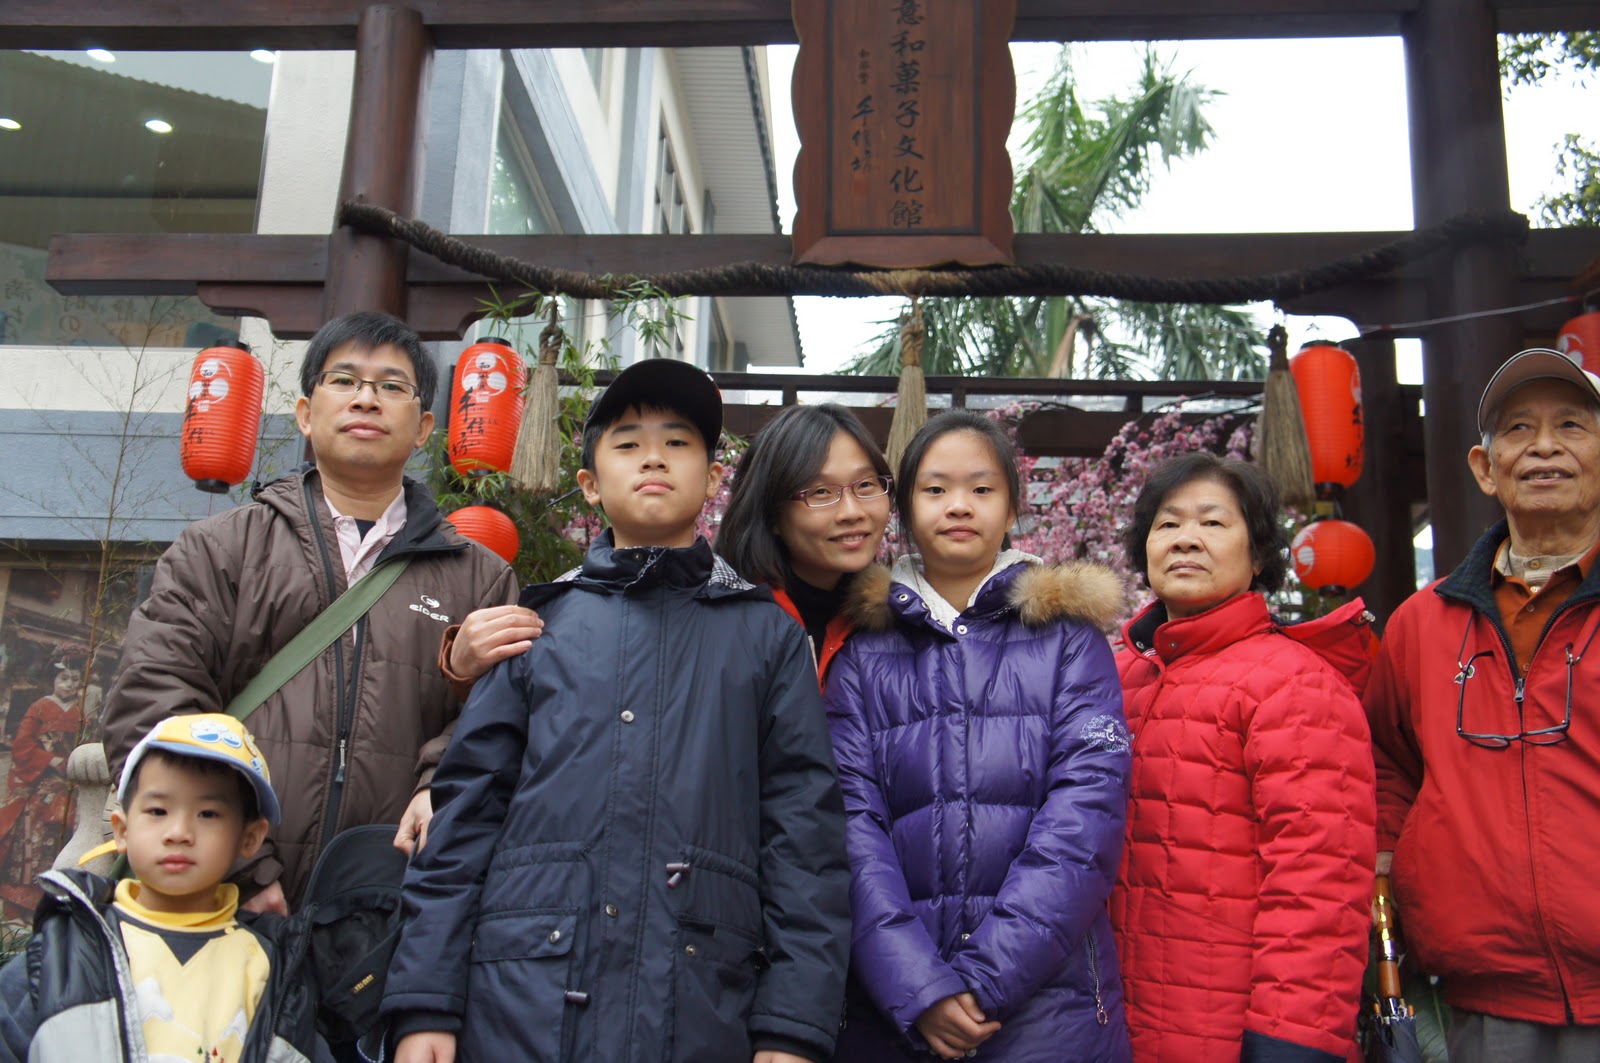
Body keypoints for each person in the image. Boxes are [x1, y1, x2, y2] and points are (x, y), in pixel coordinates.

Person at [381, 358, 850, 1063]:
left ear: (712, 480)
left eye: (678, 442)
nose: (653, 457)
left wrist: (792, 1027)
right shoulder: (536, 627)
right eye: (628, 443)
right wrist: (425, 1002)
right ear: (590, 485)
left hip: (699, 1003)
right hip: (523, 1003)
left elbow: (804, 839)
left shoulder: (766, 637)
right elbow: (464, 819)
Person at [100, 311, 518, 913]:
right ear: (305, 413)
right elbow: (154, 701)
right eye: (343, 380)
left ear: (424, 427)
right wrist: (240, 867)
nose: (366, 399)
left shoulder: (479, 576)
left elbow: (502, 720)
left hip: (391, 904)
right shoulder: (222, 549)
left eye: (391, 385)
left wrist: (439, 789)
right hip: (223, 899)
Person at [825, 410, 1133, 1063]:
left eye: (982, 488)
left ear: (1012, 508)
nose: (959, 505)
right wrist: (918, 987)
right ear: (905, 510)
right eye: (935, 489)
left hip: (1050, 1012)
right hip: (893, 1009)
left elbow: (1085, 817)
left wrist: (984, 980)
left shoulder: (1070, 642)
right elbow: (851, 827)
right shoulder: (861, 655)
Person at [1365, 347, 1600, 1062]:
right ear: (1485, 467)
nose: (1545, 446)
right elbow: (1388, 766)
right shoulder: (1420, 623)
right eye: (1519, 429)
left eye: (1572, 425)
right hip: (1480, 996)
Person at [1112, 452, 1376, 1063]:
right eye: (1168, 523)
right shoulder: (1114, 676)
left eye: (1213, 522)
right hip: (1111, 1024)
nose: (1186, 539)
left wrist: (1290, 1044)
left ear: (1258, 557)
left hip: (1228, 1032)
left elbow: (1320, 880)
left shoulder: (1295, 683)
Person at [0, 712, 327, 1063]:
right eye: (158, 811)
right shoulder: (67, 949)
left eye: (208, 814)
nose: (178, 832)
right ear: (122, 830)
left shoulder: (269, 971)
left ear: (250, 838)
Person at [718, 403, 894, 680]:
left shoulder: (895, 618)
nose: (852, 512)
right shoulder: (725, 623)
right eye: (821, 492)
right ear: (772, 513)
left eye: (865, 485)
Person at [0, 658, 84, 920]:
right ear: (53, 680)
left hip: (68, 787)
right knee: (30, 843)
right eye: (64, 678)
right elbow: (22, 746)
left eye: (75, 679)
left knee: (60, 843)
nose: (69, 684)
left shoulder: (82, 712)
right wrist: (50, 760)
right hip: (39, 785)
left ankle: (48, 906)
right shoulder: (40, 707)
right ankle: (18, 908)